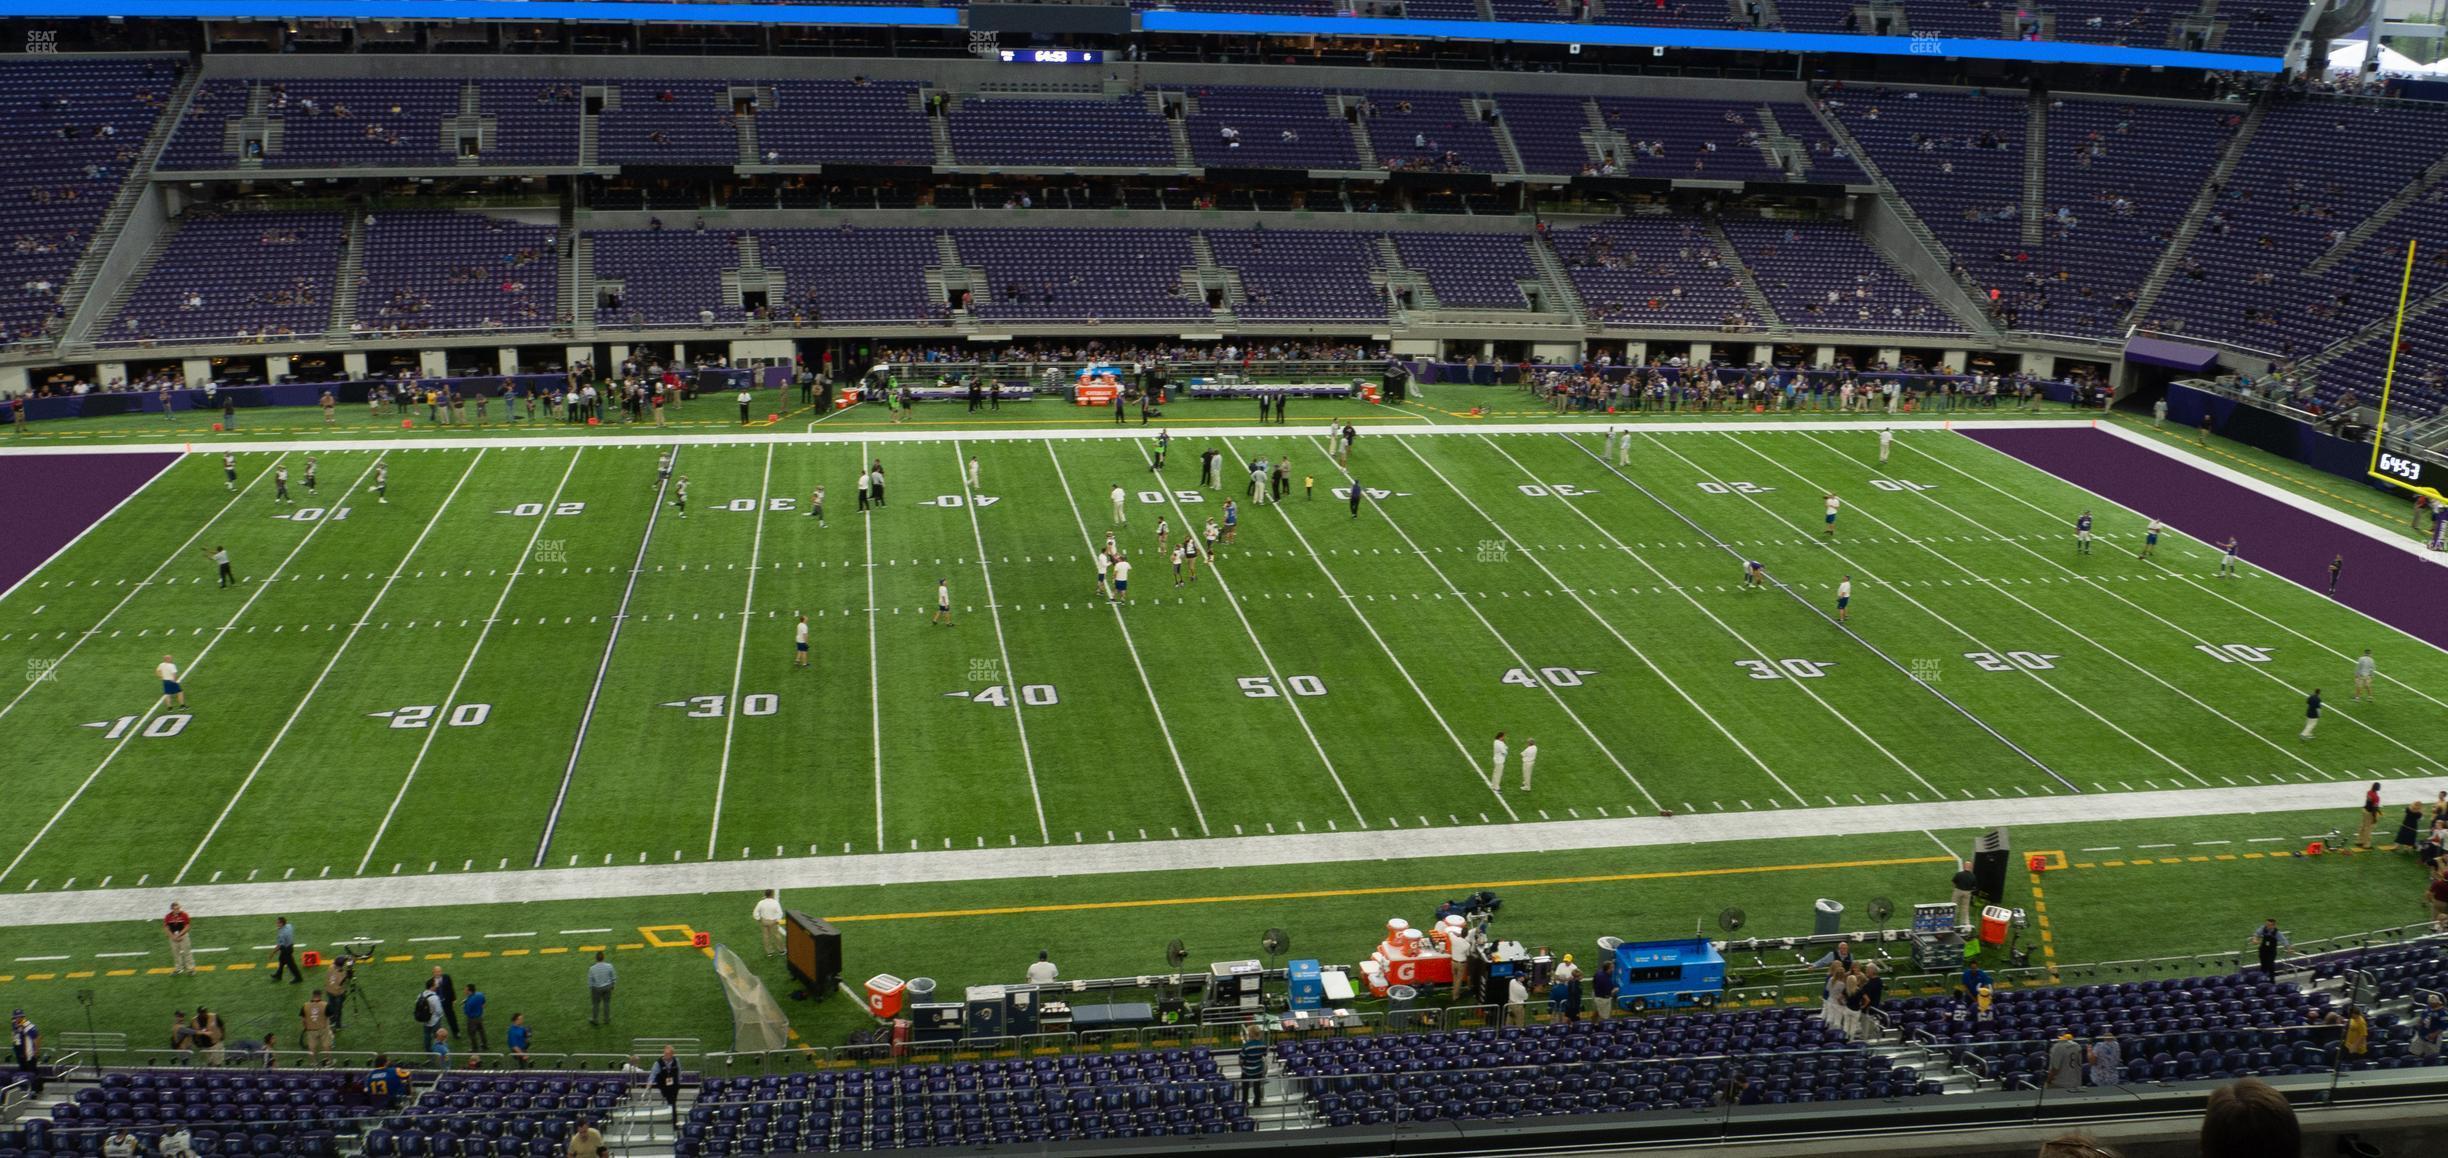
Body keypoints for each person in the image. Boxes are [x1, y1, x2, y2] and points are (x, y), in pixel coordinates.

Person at [10, 1009, 40, 1097]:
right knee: (23, 1072)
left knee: (32, 1072)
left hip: (29, 1054)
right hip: (20, 1053)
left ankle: (35, 1090)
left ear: (23, 1017)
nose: (17, 1018)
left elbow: (37, 1038)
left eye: (20, 1017)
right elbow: (15, 1036)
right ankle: (25, 1089)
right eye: (16, 1017)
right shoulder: (15, 1024)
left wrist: (36, 1051)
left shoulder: (28, 1026)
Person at [651, 1045, 683, 1122]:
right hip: (663, 1085)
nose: (666, 1055)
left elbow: (679, 1071)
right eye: (665, 1053)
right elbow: (653, 1073)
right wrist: (649, 1083)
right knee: (671, 1101)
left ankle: (674, 1119)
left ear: (672, 1054)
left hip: (674, 1085)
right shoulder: (658, 1063)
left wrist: (679, 1081)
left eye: (668, 1054)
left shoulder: (676, 1061)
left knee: (672, 1101)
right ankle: (673, 1117)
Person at [299, 994, 333, 1064]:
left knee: (312, 1046)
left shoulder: (305, 1005)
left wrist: (305, 1027)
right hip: (323, 1029)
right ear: (320, 996)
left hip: (311, 1030)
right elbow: (330, 1016)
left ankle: (313, 1062)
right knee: (326, 1045)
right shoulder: (325, 1004)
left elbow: (303, 1019)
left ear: (312, 996)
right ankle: (328, 1061)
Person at [164, 902, 196, 974]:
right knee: (175, 953)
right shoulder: (168, 917)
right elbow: (166, 928)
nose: (177, 910)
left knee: (187, 952)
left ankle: (190, 969)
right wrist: (172, 937)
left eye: (178, 908)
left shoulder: (184, 915)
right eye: (175, 909)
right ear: (172, 909)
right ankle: (178, 968)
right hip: (173, 937)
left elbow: (187, 926)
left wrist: (179, 935)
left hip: (183, 936)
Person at [586, 951, 616, 1026]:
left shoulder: (592, 968)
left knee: (595, 1004)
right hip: (607, 987)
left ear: (596, 958)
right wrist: (612, 985)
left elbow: (590, 980)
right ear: (603, 957)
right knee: (606, 1003)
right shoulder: (609, 966)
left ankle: (595, 1019)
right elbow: (613, 977)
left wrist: (591, 988)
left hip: (596, 988)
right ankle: (606, 1019)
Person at [755, 889, 786, 955]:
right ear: (772, 894)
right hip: (773, 922)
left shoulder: (761, 902)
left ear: (765, 895)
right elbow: (780, 913)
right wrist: (777, 920)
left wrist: (758, 919)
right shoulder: (775, 903)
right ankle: (781, 950)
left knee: (766, 936)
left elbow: (755, 912)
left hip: (764, 921)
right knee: (777, 935)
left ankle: (769, 952)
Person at [271, 916, 301, 983]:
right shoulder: (289, 926)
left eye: (278, 923)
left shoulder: (282, 934)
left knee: (291, 965)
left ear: (282, 923)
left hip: (286, 949)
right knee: (281, 960)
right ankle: (278, 975)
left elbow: (279, 945)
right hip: (290, 946)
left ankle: (298, 978)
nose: (276, 924)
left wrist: (273, 952)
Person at [462, 983, 489, 1052]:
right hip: (480, 1017)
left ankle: (475, 1048)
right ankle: (485, 1045)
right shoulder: (480, 994)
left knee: (472, 1034)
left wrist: (464, 1004)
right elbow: (483, 1002)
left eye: (465, 989)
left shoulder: (469, 1002)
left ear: (469, 991)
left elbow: (466, 1012)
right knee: (481, 1031)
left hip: (472, 1020)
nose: (464, 990)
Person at [2356, 782, 2380, 847]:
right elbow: (2374, 807)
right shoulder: (2376, 797)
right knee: (2368, 829)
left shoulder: (2369, 792)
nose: (2380, 787)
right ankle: (2366, 844)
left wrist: (2378, 810)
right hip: (2370, 813)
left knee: (2363, 826)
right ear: (2377, 787)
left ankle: (2359, 841)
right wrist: (2375, 818)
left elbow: (2369, 803)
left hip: (2365, 811)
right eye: (2379, 786)